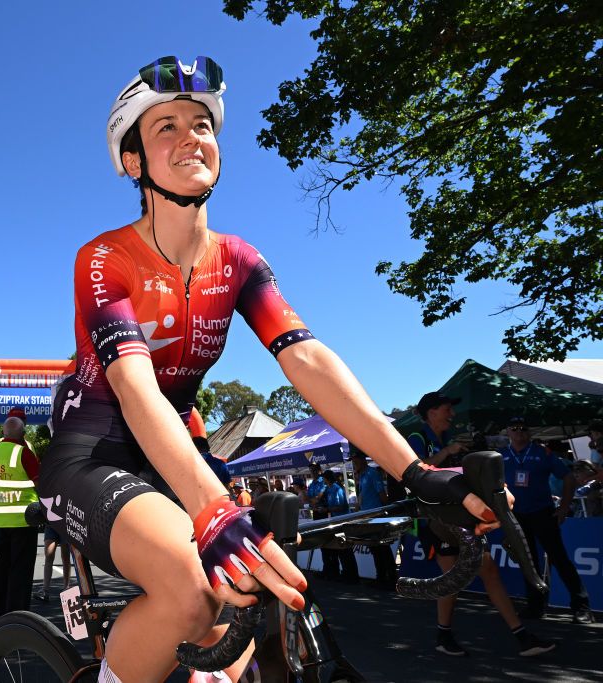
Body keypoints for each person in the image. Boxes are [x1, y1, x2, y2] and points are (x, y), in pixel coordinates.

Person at [34, 55, 506, 683]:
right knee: (192, 590)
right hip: (93, 452)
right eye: (165, 127)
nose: (190, 137)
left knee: (254, 592)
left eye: (201, 124)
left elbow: (306, 358)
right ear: (133, 162)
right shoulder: (104, 257)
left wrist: (415, 471)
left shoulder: (238, 259)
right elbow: (133, 384)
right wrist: (210, 510)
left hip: (176, 449)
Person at [503, 417, 593, 624]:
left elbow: (568, 478)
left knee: (559, 558)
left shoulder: (541, 452)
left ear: (529, 432)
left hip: (542, 513)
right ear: (507, 432)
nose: (519, 432)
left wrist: (564, 507)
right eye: (514, 428)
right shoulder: (501, 456)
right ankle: (536, 606)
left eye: (524, 428)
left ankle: (582, 607)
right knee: (529, 562)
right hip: (516, 515)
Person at [0, 416, 40, 626]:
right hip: (24, 520)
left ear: (4, 433)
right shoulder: (24, 452)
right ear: (22, 434)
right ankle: (18, 617)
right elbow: (40, 482)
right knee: (20, 570)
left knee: (1, 565)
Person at [349, 450, 396, 589]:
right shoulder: (362, 476)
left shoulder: (372, 473)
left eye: (356, 460)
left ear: (363, 460)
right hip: (367, 517)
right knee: (375, 549)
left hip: (377, 516)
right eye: (353, 461)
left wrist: (386, 512)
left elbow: (382, 495)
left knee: (383, 548)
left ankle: (391, 578)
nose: (354, 463)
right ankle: (381, 577)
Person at [316, 469, 358, 582]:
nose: (323, 480)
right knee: (340, 548)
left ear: (327, 478)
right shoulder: (329, 489)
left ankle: (352, 576)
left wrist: (326, 509)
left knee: (345, 549)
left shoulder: (337, 488)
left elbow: (342, 506)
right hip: (336, 521)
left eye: (324, 478)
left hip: (343, 521)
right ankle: (345, 574)